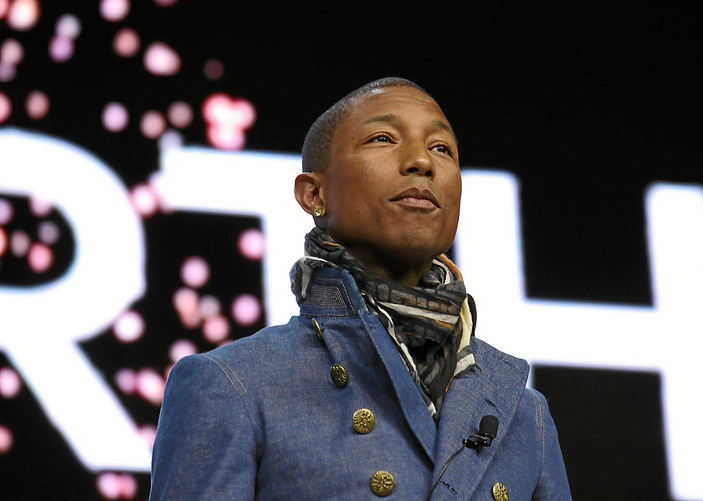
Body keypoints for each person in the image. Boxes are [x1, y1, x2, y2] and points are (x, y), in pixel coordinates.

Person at [149, 77, 572, 500]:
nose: (422, 162)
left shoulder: (521, 411)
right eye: (383, 138)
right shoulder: (232, 385)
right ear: (314, 193)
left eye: (442, 148)